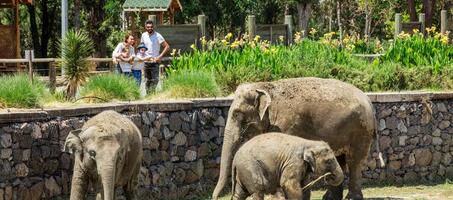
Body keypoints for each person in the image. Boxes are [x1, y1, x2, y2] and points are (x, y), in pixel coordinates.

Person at [140, 20, 170, 90]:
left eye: (151, 27)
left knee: (155, 80)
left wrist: (159, 57)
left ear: (153, 27)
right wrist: (142, 56)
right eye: (148, 27)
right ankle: (148, 97)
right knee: (147, 80)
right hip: (146, 62)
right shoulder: (143, 35)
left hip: (155, 62)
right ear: (145, 27)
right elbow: (141, 47)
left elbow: (167, 46)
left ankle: (152, 95)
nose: (150, 28)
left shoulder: (158, 36)